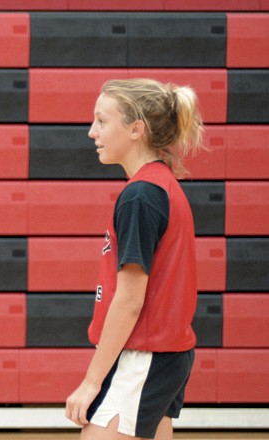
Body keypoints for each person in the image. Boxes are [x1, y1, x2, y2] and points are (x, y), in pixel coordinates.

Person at [65, 78, 205, 440]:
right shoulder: (160, 186)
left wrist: (90, 382)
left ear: (135, 130)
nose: (92, 131)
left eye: (101, 121)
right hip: (164, 356)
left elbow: (129, 300)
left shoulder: (141, 196)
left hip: (143, 355)